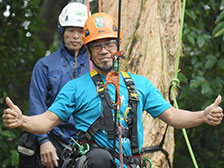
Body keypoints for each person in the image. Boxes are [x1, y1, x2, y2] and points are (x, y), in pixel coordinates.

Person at [3, 12, 223, 168]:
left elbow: (173, 116)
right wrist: (23, 120)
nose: (104, 50)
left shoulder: (140, 84)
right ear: (89, 52)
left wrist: (203, 115)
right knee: (99, 159)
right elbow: (47, 120)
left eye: (109, 43)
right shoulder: (75, 88)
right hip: (92, 163)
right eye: (97, 46)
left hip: (131, 162)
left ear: (119, 48)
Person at [17, 2, 92, 168]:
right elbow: (37, 103)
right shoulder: (45, 65)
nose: (75, 36)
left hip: (88, 140)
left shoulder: (95, 65)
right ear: (62, 31)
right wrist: (43, 141)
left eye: (80, 31)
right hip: (53, 138)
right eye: (71, 30)